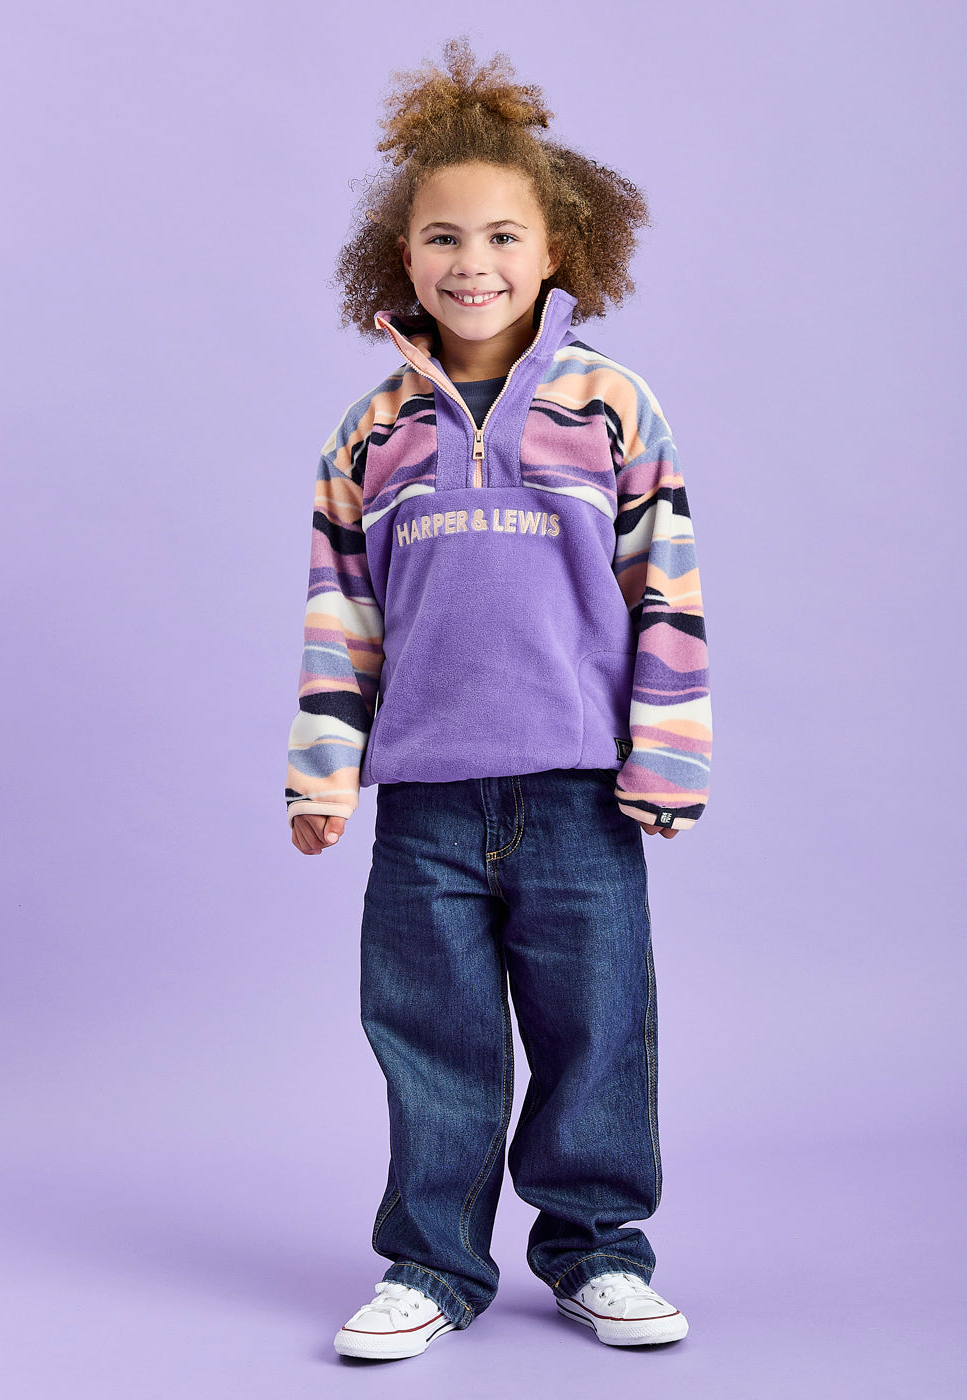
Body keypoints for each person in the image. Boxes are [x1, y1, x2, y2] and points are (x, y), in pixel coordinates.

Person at [285, 37, 712, 1361]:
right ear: (400, 257)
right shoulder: (370, 431)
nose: (471, 262)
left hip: (581, 794)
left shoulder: (610, 405)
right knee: (432, 1040)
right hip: (422, 801)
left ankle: (596, 1249)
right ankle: (431, 1262)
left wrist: (668, 757)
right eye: (442, 237)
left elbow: (667, 586)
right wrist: (322, 769)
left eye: (502, 235)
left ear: (556, 249)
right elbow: (340, 611)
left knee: (598, 1034)